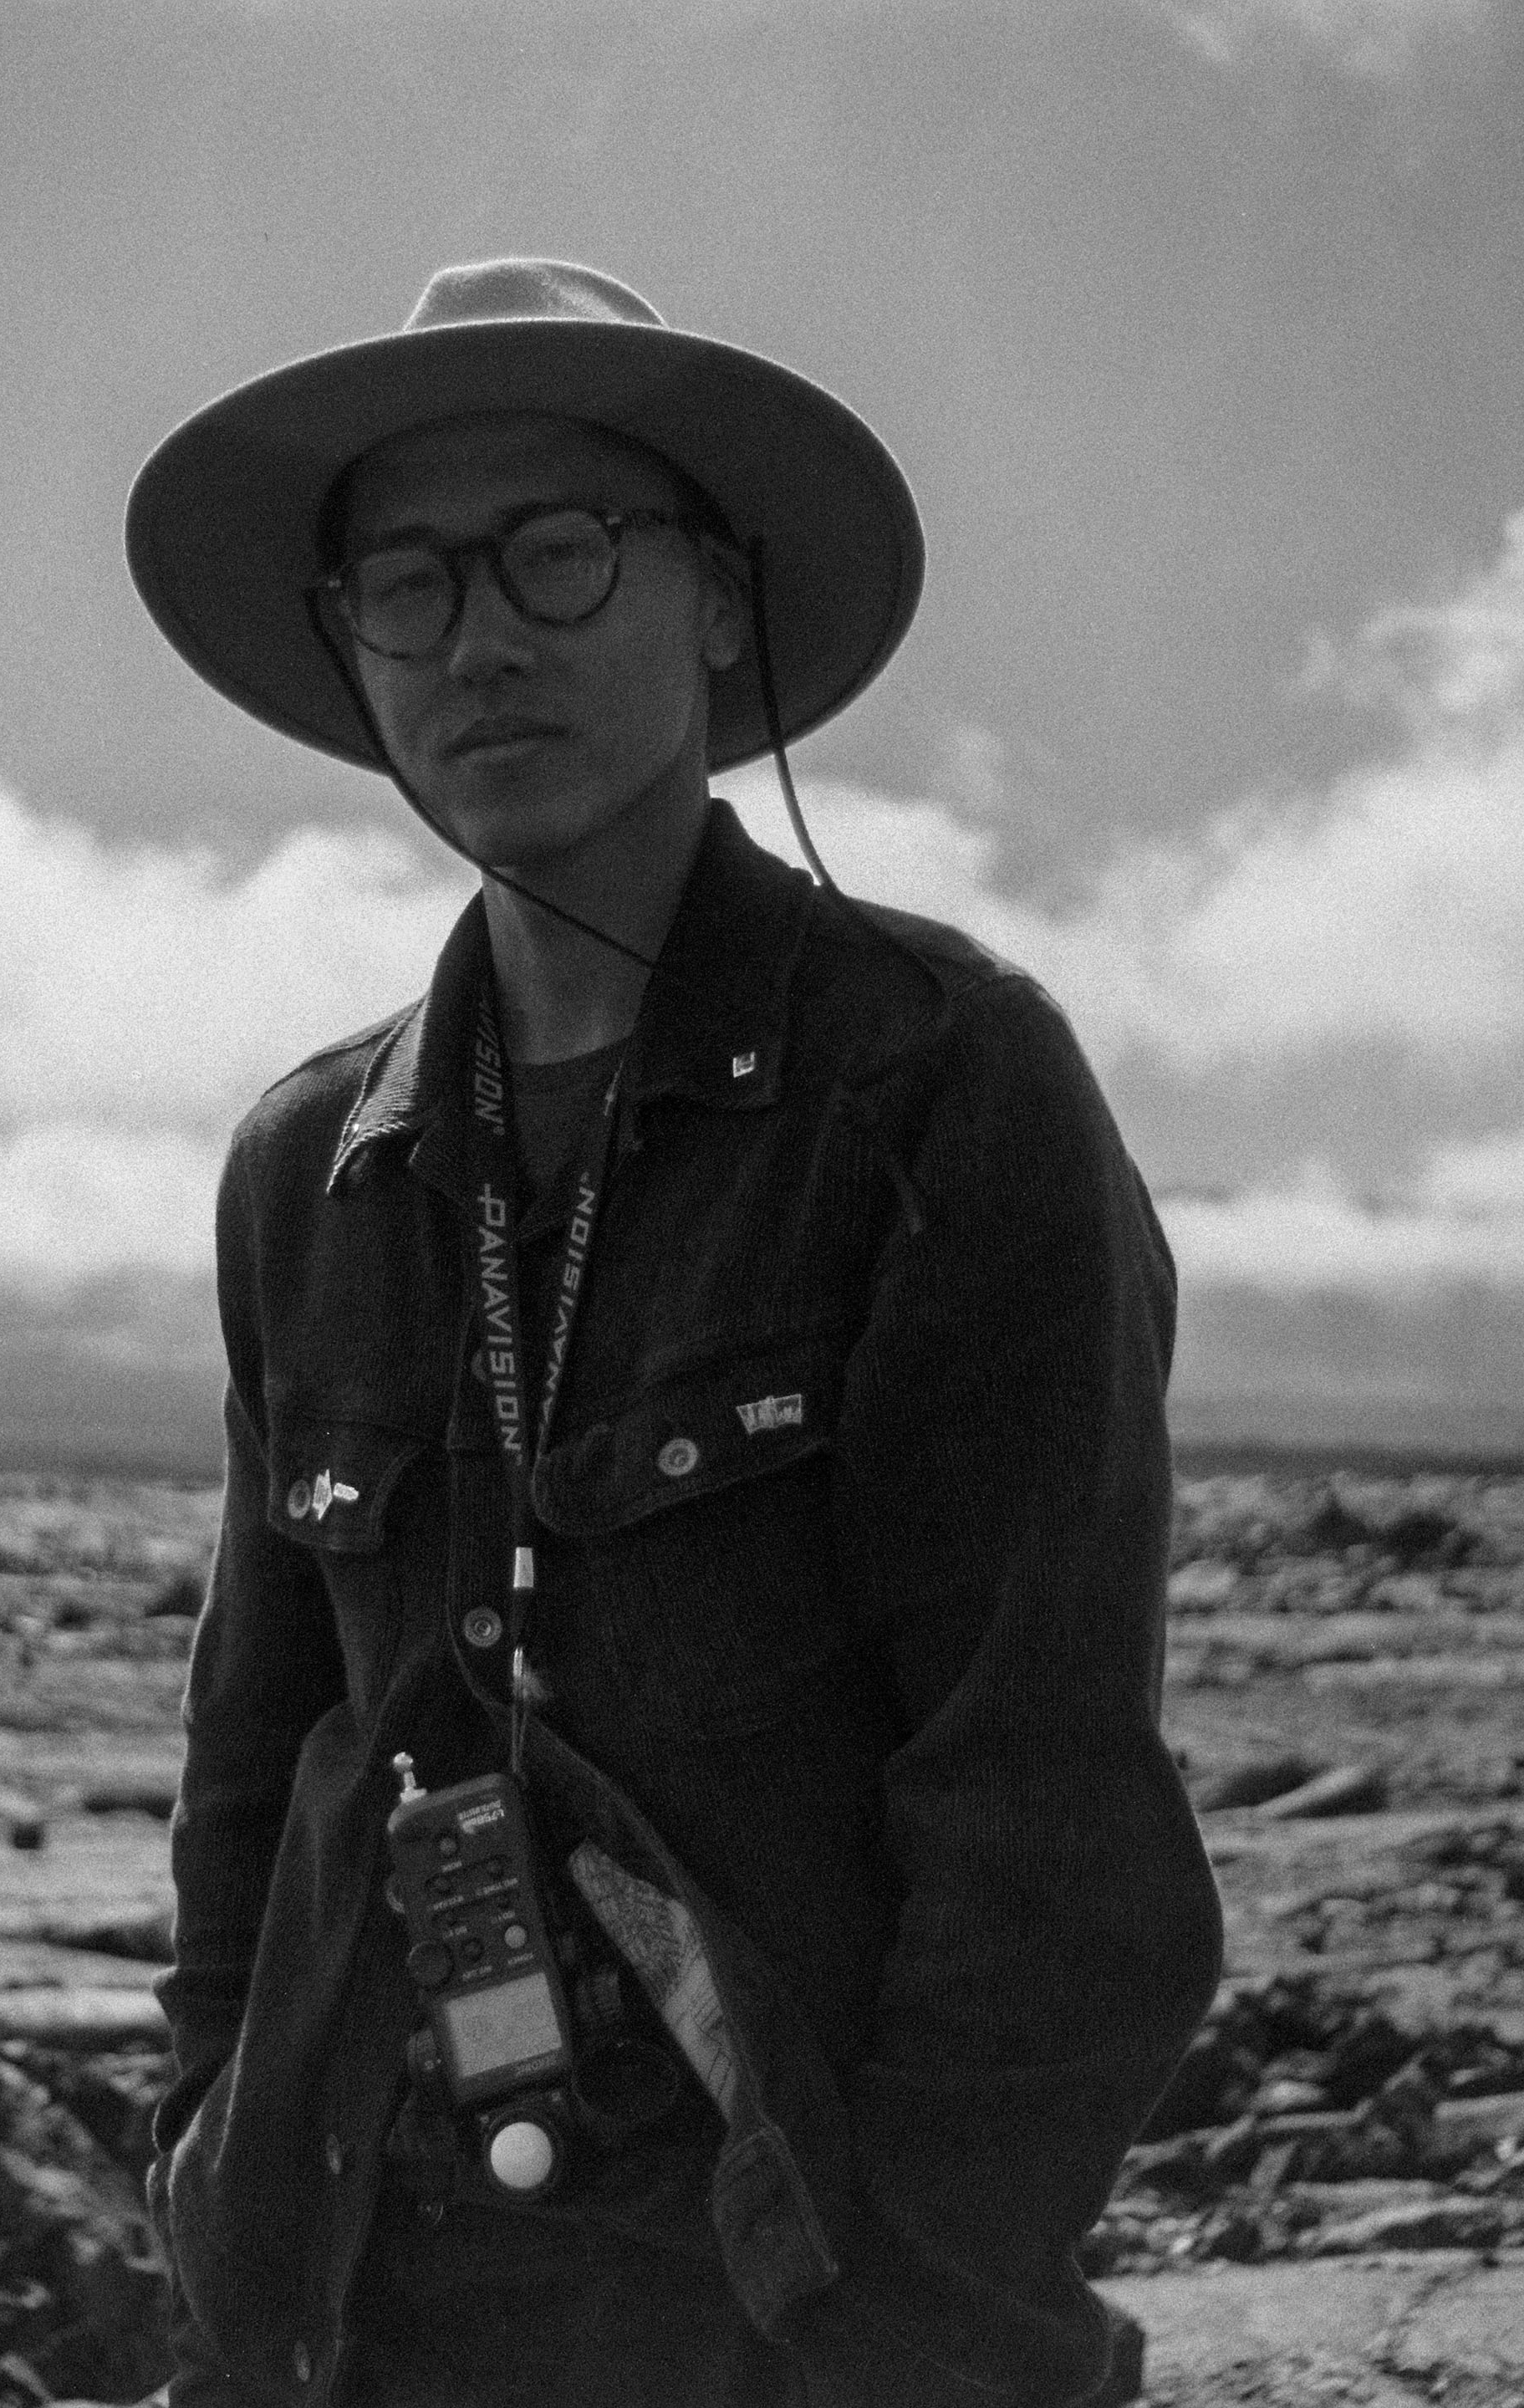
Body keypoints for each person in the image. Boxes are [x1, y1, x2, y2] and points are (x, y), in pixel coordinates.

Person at [120, 259, 1221, 2408]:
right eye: (408, 583)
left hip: (788, 2316)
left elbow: (1048, 1822)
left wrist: (908, 2330)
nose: (480, 638)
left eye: (556, 550)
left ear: (720, 600)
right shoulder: (311, 1171)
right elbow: (251, 1772)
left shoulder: (930, 1087)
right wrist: (210, 2178)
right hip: (374, 2303)